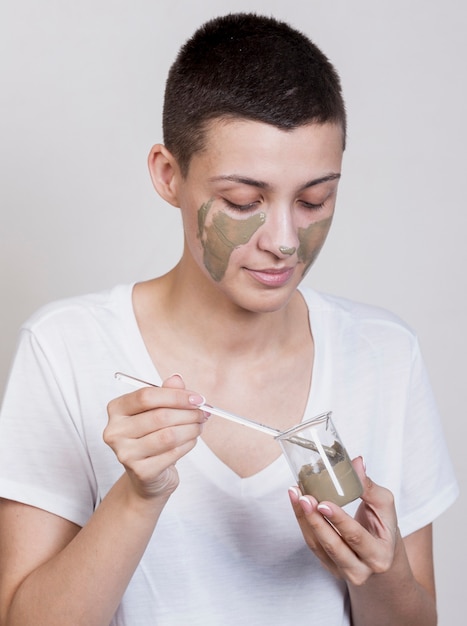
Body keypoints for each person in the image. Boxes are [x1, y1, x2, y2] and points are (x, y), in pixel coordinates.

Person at [0, 12, 458, 626]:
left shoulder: (383, 354)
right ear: (169, 175)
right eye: (245, 202)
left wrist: (382, 570)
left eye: (314, 198)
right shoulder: (67, 349)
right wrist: (138, 497)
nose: (286, 241)